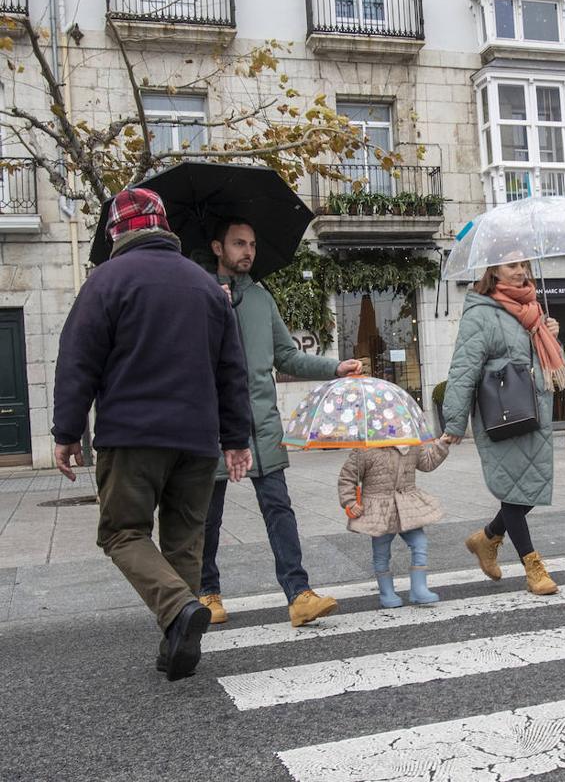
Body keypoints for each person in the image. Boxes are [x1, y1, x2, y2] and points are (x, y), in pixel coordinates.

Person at [51, 187, 252, 680]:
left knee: (122, 532)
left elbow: (78, 361)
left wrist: (67, 431)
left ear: (117, 231)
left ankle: (179, 610)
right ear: (164, 225)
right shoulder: (206, 287)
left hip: (132, 435)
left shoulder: (105, 282)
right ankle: (178, 645)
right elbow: (232, 370)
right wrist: (236, 439)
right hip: (198, 440)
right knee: (185, 542)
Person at [201, 220, 362, 628]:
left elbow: (287, 357)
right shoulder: (197, 295)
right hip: (213, 428)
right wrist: (211, 309)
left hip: (263, 427)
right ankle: (206, 591)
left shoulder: (260, 298)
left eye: (252, 244)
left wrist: (334, 367)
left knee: (279, 510)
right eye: (239, 243)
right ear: (218, 247)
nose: (248, 251)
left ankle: (298, 594)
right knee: (207, 516)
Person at [440, 258, 565, 596]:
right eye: (511, 264)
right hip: (502, 413)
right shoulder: (481, 312)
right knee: (516, 489)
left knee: (530, 486)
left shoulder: (531, 309)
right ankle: (532, 565)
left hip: (534, 410)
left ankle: (487, 539)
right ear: (493, 270)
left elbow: (545, 362)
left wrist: (549, 334)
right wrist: (454, 420)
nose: (520, 270)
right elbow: (464, 366)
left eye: (523, 263)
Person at [337, 438, 450, 608]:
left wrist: (441, 445)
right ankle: (387, 592)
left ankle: (419, 588)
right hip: (381, 511)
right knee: (381, 552)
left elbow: (426, 463)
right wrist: (350, 502)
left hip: (407, 507)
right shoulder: (365, 450)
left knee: (420, 543)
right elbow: (347, 477)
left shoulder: (411, 444)